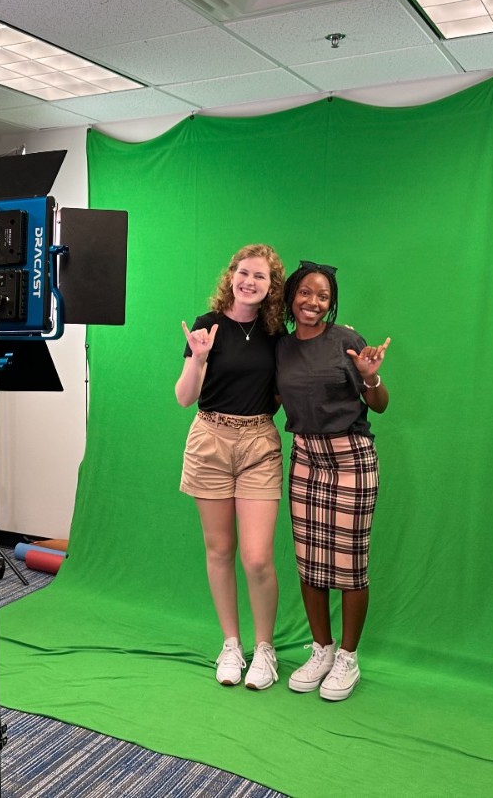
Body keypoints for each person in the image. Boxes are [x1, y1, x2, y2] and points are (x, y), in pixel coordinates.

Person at [275, 260, 390, 701]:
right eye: (306, 293)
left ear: (331, 303)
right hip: (305, 458)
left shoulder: (346, 341)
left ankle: (348, 657)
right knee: (310, 560)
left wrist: (370, 376)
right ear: (291, 298)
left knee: (350, 563)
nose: (313, 302)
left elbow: (378, 404)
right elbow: (272, 400)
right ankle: (321, 649)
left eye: (322, 296)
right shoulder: (281, 348)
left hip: (351, 459)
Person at [176, 244, 287, 690]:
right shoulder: (206, 327)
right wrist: (198, 358)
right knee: (220, 549)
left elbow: (282, 394)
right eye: (244, 273)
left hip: (259, 442)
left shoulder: (277, 336)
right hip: (209, 441)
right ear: (231, 276)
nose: (249, 282)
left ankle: (265, 649)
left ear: (270, 287)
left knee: (257, 557)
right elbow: (185, 397)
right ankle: (231, 644)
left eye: (260, 277)